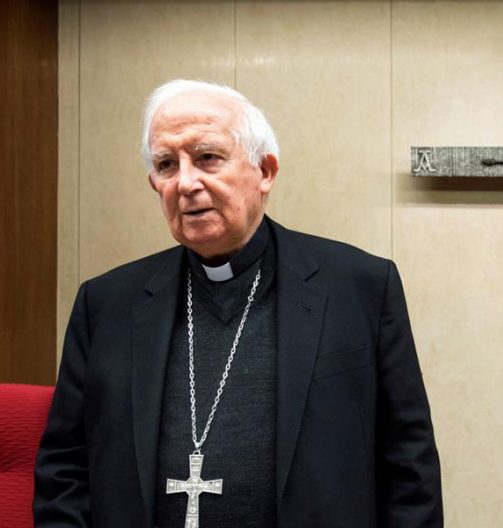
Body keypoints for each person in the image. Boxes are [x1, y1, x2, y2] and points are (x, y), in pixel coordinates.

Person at [34, 79, 443, 527]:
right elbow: (65, 471)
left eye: (207, 157)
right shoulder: (107, 302)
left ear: (265, 171)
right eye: (166, 165)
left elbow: (409, 464)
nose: (186, 183)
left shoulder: (360, 286)